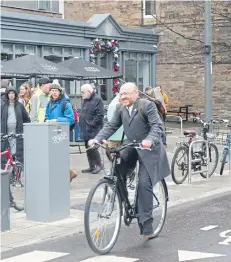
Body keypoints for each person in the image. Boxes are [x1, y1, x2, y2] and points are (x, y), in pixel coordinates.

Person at [89, 82, 170, 239]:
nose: (123, 97)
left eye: (126, 94)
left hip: (149, 149)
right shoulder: (121, 109)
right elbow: (111, 125)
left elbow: (157, 126)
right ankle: (125, 203)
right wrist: (97, 138)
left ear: (136, 94)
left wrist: (150, 140)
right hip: (132, 145)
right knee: (117, 170)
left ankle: (147, 225)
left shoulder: (147, 106)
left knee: (144, 184)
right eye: (121, 94)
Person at [44, 83, 77, 182]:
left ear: (60, 92)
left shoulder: (65, 104)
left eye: (56, 91)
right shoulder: (49, 103)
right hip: (52, 132)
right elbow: (46, 115)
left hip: (62, 134)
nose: (54, 92)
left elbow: (71, 119)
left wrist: (57, 120)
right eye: (52, 90)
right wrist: (46, 120)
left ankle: (67, 174)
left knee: (61, 156)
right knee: (53, 156)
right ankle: (63, 175)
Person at [79, 83, 104, 174]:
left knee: (93, 148)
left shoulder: (97, 99)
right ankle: (92, 166)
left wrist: (91, 124)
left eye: (83, 92)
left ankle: (99, 165)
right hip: (85, 128)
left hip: (94, 129)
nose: (81, 93)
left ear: (89, 91)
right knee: (88, 148)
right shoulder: (86, 99)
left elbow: (100, 114)